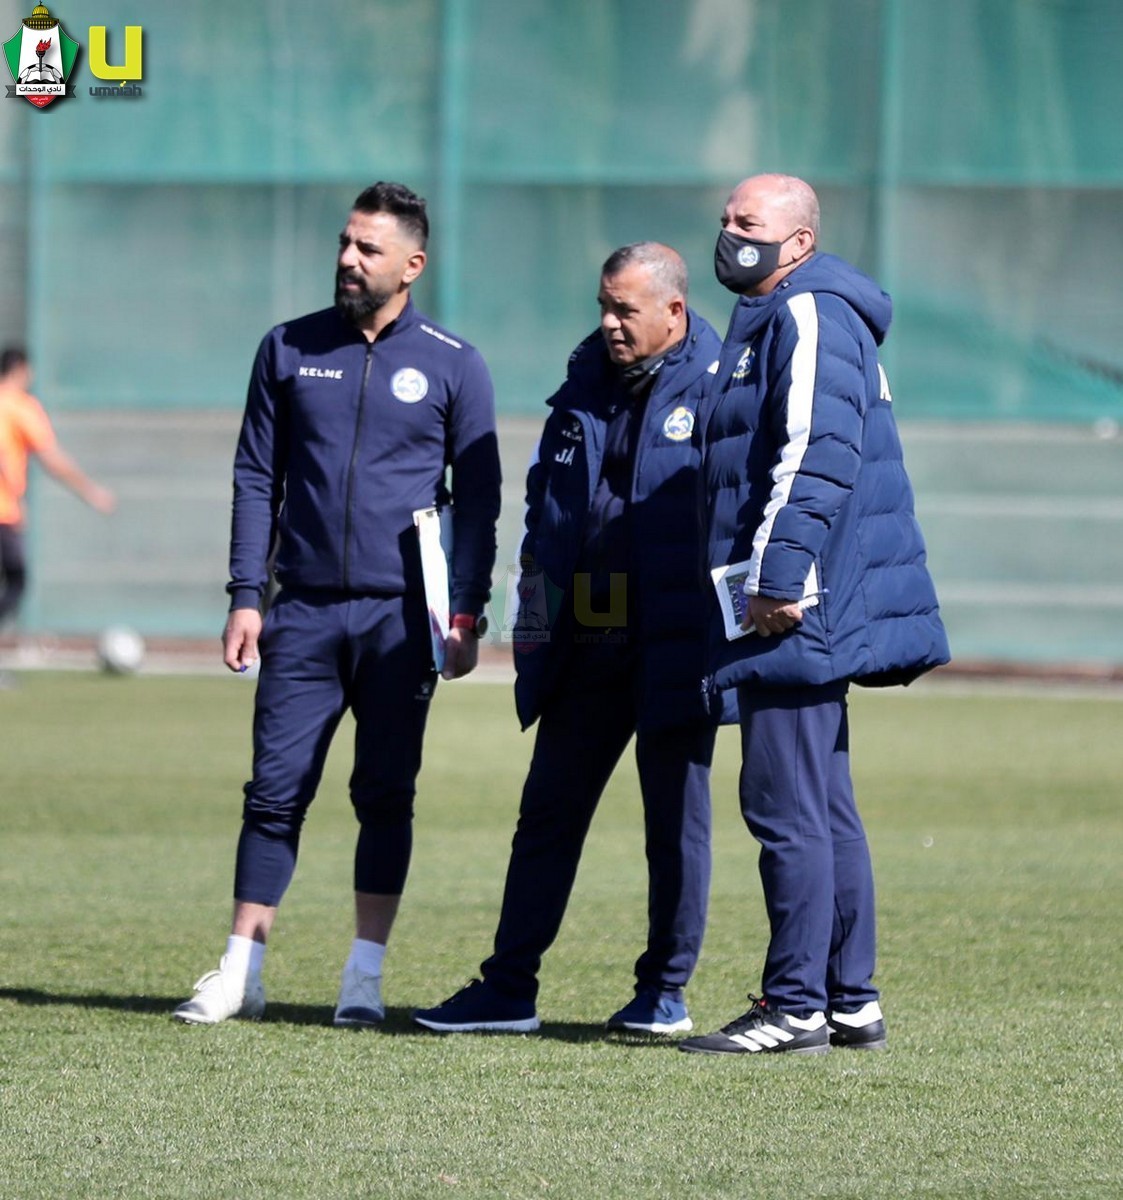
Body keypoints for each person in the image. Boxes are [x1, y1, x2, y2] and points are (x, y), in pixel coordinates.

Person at [173, 182, 501, 1026]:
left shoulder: (454, 362)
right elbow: (256, 477)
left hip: (401, 623)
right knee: (273, 793)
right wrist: (247, 595)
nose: (348, 260)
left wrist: (465, 613)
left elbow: (481, 501)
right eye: (345, 243)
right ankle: (239, 973)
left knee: (384, 794)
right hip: (304, 612)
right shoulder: (287, 347)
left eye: (368, 249)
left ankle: (363, 978)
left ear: (411, 265)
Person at [413, 242, 730, 1036]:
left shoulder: (724, 386)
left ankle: (663, 992)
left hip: (676, 627)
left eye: (626, 309)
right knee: (547, 811)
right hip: (590, 616)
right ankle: (508, 988)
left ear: (674, 311)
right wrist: (532, 634)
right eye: (603, 306)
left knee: (674, 821)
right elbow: (545, 519)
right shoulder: (582, 383)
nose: (610, 323)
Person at [680, 174, 949, 1057]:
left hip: (793, 602)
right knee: (824, 805)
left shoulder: (806, 312)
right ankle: (847, 999)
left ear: (797, 242)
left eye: (748, 222)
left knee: (784, 804)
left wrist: (777, 573)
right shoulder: (782, 314)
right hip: (805, 596)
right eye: (726, 219)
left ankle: (793, 1005)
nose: (729, 234)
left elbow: (816, 452)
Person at [0, 347, 116, 635]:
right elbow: (49, 458)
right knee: (16, 579)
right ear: (22, 370)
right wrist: (90, 491)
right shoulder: (18, 406)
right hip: (3, 510)